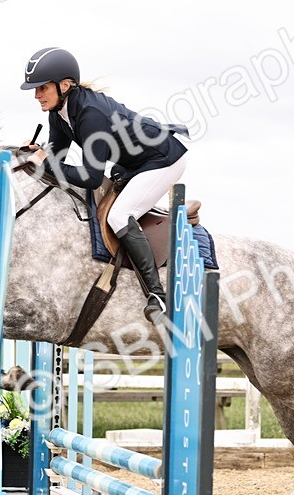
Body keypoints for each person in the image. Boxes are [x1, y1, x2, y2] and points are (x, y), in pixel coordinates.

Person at [21, 47, 188, 324]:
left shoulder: (90, 113)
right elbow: (56, 157)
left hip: (163, 159)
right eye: (34, 89)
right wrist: (34, 155)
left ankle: (157, 294)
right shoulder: (58, 112)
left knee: (119, 215)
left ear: (64, 85)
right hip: (132, 163)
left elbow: (90, 177)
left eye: (42, 88)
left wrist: (45, 161)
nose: (36, 95)